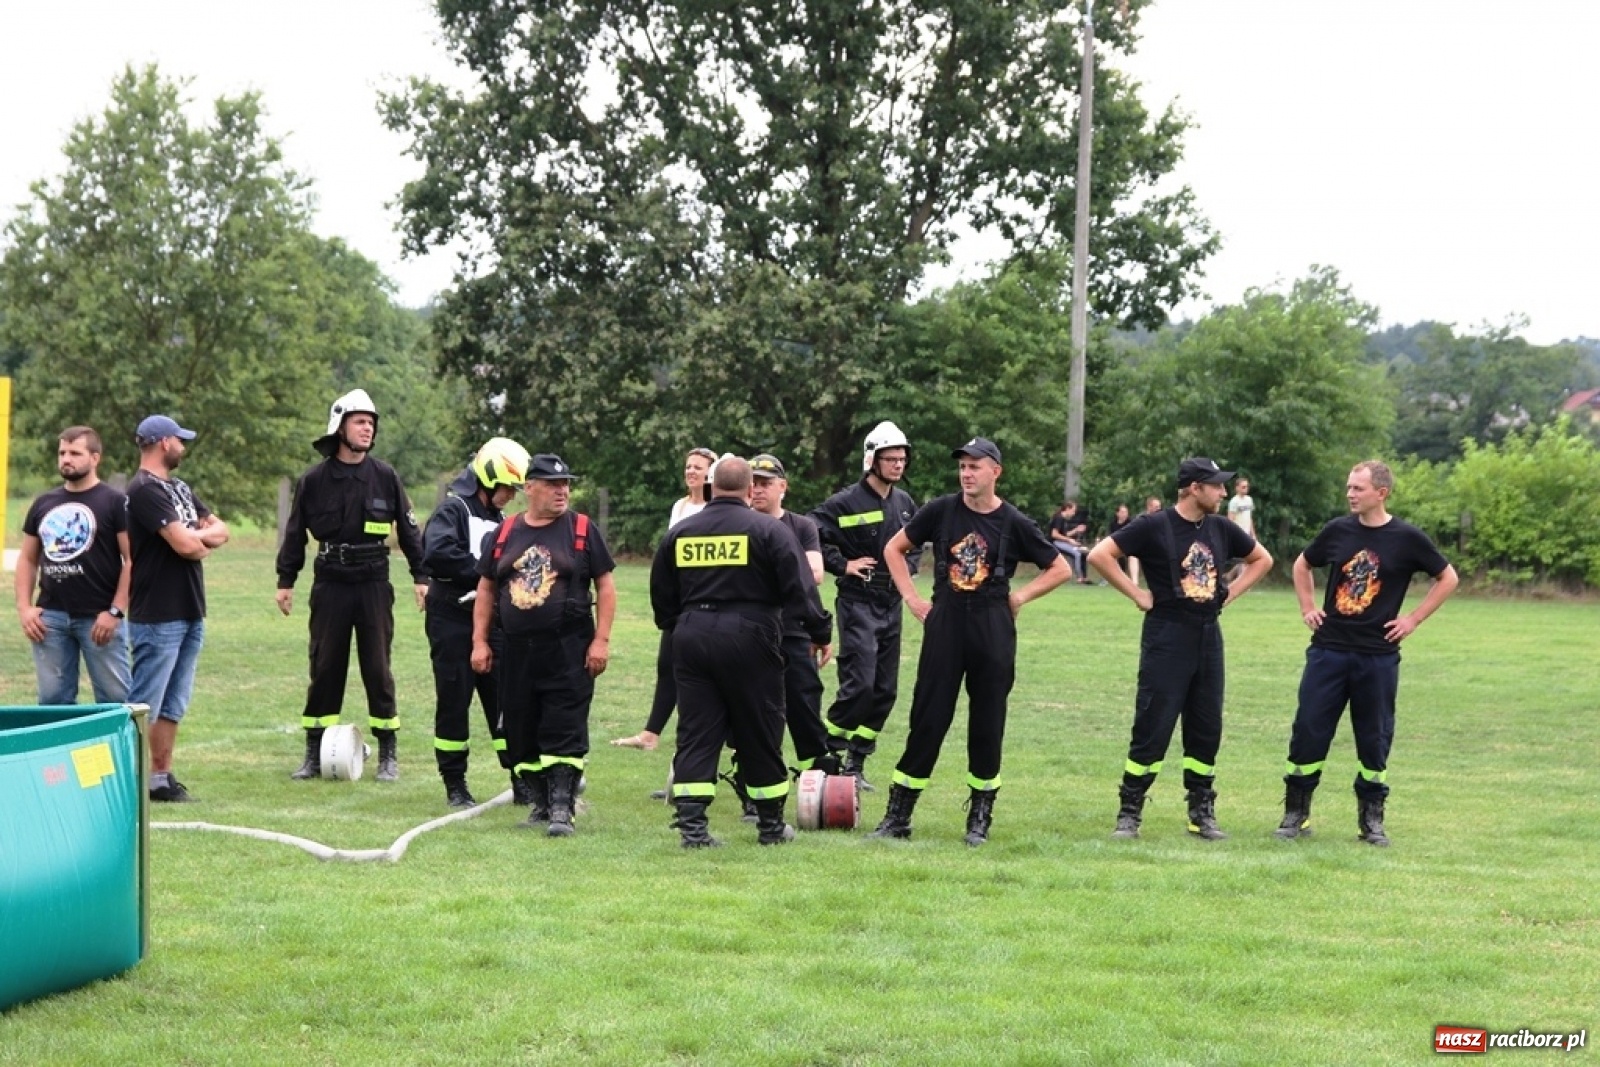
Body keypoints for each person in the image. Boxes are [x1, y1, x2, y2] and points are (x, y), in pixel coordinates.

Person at [870, 437, 1071, 846]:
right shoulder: (941, 510)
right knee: (928, 717)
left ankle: (980, 816)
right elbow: (894, 548)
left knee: (987, 722)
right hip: (945, 621)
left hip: (992, 624)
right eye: (962, 466)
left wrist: (1019, 596)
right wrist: (911, 597)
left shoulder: (1013, 521)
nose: (966, 473)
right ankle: (898, 816)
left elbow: (1060, 567)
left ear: (995, 472)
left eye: (975, 466)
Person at [650, 456, 832, 848]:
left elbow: (662, 598)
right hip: (752, 635)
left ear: (712, 487)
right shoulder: (770, 531)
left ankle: (693, 829)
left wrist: (682, 626)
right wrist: (820, 631)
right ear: (750, 490)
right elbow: (801, 590)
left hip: (692, 635)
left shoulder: (681, 532)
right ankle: (769, 826)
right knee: (760, 728)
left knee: (697, 731)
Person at [1086, 457, 1272, 841]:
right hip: (1167, 635)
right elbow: (1099, 555)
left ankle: (1200, 811)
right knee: (1153, 723)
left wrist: (1229, 595)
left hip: (1208, 635)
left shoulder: (1221, 528)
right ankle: (1130, 810)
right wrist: (1138, 594)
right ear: (1193, 487)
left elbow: (1261, 559)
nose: (1223, 492)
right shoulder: (1155, 525)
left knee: (1206, 726)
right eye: (1216, 485)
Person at [1275, 460, 1458, 847]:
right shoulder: (1337, 531)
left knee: (1374, 737)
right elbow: (1302, 564)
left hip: (1377, 656)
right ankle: (1296, 813)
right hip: (1329, 651)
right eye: (1348, 487)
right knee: (1309, 729)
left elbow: (1448, 577)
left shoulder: (1407, 538)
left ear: (1381, 492)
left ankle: (1371, 820)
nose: (1350, 494)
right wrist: (1308, 607)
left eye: (1358, 488)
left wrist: (1412, 620)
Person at [276, 389, 428, 783]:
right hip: (330, 583)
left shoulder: (385, 476)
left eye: (371, 423)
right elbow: (294, 533)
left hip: (374, 582)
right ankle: (314, 751)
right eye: (360, 421)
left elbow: (410, 532)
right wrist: (286, 580)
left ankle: (388, 753)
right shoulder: (313, 480)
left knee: (378, 668)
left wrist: (421, 576)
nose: (368, 428)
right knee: (325, 666)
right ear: (339, 426)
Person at [471, 453, 616, 837]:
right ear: (529, 488)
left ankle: (561, 808)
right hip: (516, 649)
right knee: (519, 727)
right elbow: (486, 588)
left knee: (563, 724)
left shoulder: (582, 528)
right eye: (553, 484)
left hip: (567, 646)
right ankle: (538, 802)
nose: (562, 491)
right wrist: (479, 642)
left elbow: (605, 585)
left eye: (565, 484)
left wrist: (600, 641)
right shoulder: (505, 534)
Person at [808, 420, 919, 790]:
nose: (898, 465)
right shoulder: (843, 502)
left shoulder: (905, 504)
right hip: (858, 603)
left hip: (892, 604)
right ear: (872, 459)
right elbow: (810, 535)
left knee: (885, 689)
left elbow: (914, 545)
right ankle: (827, 755)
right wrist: (843, 565)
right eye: (891, 459)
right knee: (860, 686)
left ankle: (857, 760)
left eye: (902, 459)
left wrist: (909, 571)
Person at [125, 415, 230, 802]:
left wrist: (192, 536)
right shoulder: (143, 490)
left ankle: (160, 779)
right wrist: (193, 539)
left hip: (189, 608)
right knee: (144, 702)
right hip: (157, 612)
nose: (184, 447)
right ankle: (129, 780)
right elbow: (187, 547)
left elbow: (221, 530)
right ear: (163, 442)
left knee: (173, 702)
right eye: (180, 440)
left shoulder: (180, 488)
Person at [422, 437, 531, 809]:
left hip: (493, 623)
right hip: (451, 617)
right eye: (507, 487)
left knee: (506, 698)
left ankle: (521, 776)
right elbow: (437, 554)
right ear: (487, 480)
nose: (511, 496)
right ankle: (455, 782)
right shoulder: (453, 511)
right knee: (454, 699)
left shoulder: (500, 520)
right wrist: (486, 577)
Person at [15, 426, 132, 705]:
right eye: (62, 453)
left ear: (95, 458)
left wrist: (115, 611)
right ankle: (60, 750)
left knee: (115, 700)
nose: (66, 459)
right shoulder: (44, 503)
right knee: (53, 701)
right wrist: (25, 608)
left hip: (99, 618)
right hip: (50, 619)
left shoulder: (115, 502)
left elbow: (133, 560)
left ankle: (119, 750)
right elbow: (28, 559)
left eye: (75, 453)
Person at [612, 445, 718, 752]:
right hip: (678, 599)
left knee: (699, 670)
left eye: (698, 467)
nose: (691, 471)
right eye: (688, 466)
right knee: (666, 663)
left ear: (712, 473)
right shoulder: (680, 506)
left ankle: (708, 733)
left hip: (705, 599)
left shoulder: (716, 508)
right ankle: (650, 734)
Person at [748, 453, 841, 778]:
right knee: (756, 706)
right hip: (753, 631)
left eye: (765, 483)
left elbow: (815, 573)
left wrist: (765, 568)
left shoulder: (801, 526)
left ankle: (816, 773)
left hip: (795, 629)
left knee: (804, 700)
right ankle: (751, 775)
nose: (757, 490)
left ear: (782, 486)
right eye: (753, 484)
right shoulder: (741, 523)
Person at [1047, 500, 1091, 584]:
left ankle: (1084, 577)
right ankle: (1079, 578)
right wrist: (1069, 540)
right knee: (1077, 554)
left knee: (1082, 552)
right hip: (1054, 542)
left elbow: (1065, 534)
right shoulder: (1059, 518)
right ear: (1067, 508)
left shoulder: (1063, 519)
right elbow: (1054, 534)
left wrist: (1076, 530)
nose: (1074, 513)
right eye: (1073, 511)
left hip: (1060, 542)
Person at [1225, 477, 1256, 583]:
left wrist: (1253, 534)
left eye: (1247, 487)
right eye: (1243, 487)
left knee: (1245, 559)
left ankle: (1230, 576)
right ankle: (1241, 582)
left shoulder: (1249, 500)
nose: (1245, 489)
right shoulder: (1234, 502)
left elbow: (1249, 517)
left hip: (1247, 532)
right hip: (1238, 532)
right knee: (1244, 559)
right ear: (1237, 488)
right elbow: (1230, 519)